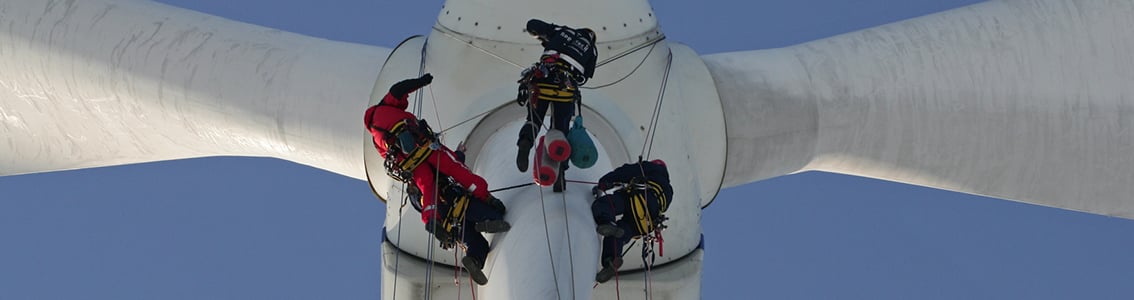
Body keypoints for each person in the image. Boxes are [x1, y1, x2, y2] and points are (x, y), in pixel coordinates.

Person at [364, 74, 509, 284]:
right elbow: (398, 89)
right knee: (461, 175)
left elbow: (397, 164)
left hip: (422, 181)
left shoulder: (377, 139)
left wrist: (433, 218)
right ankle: (488, 206)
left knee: (469, 237)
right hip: (427, 151)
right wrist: (420, 82)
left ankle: (467, 252)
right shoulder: (386, 107)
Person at [515, 19, 598, 192]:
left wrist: (545, 38)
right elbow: (583, 78)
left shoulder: (564, 31)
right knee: (560, 129)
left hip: (542, 80)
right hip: (565, 89)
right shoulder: (592, 48)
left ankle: (525, 142)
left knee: (534, 120)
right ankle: (560, 170)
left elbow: (532, 25)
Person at [589, 159, 673, 284]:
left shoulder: (653, 169)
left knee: (604, 205)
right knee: (621, 234)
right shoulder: (668, 191)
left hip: (638, 199)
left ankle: (608, 222)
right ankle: (611, 260)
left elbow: (628, 171)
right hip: (646, 222)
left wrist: (605, 182)